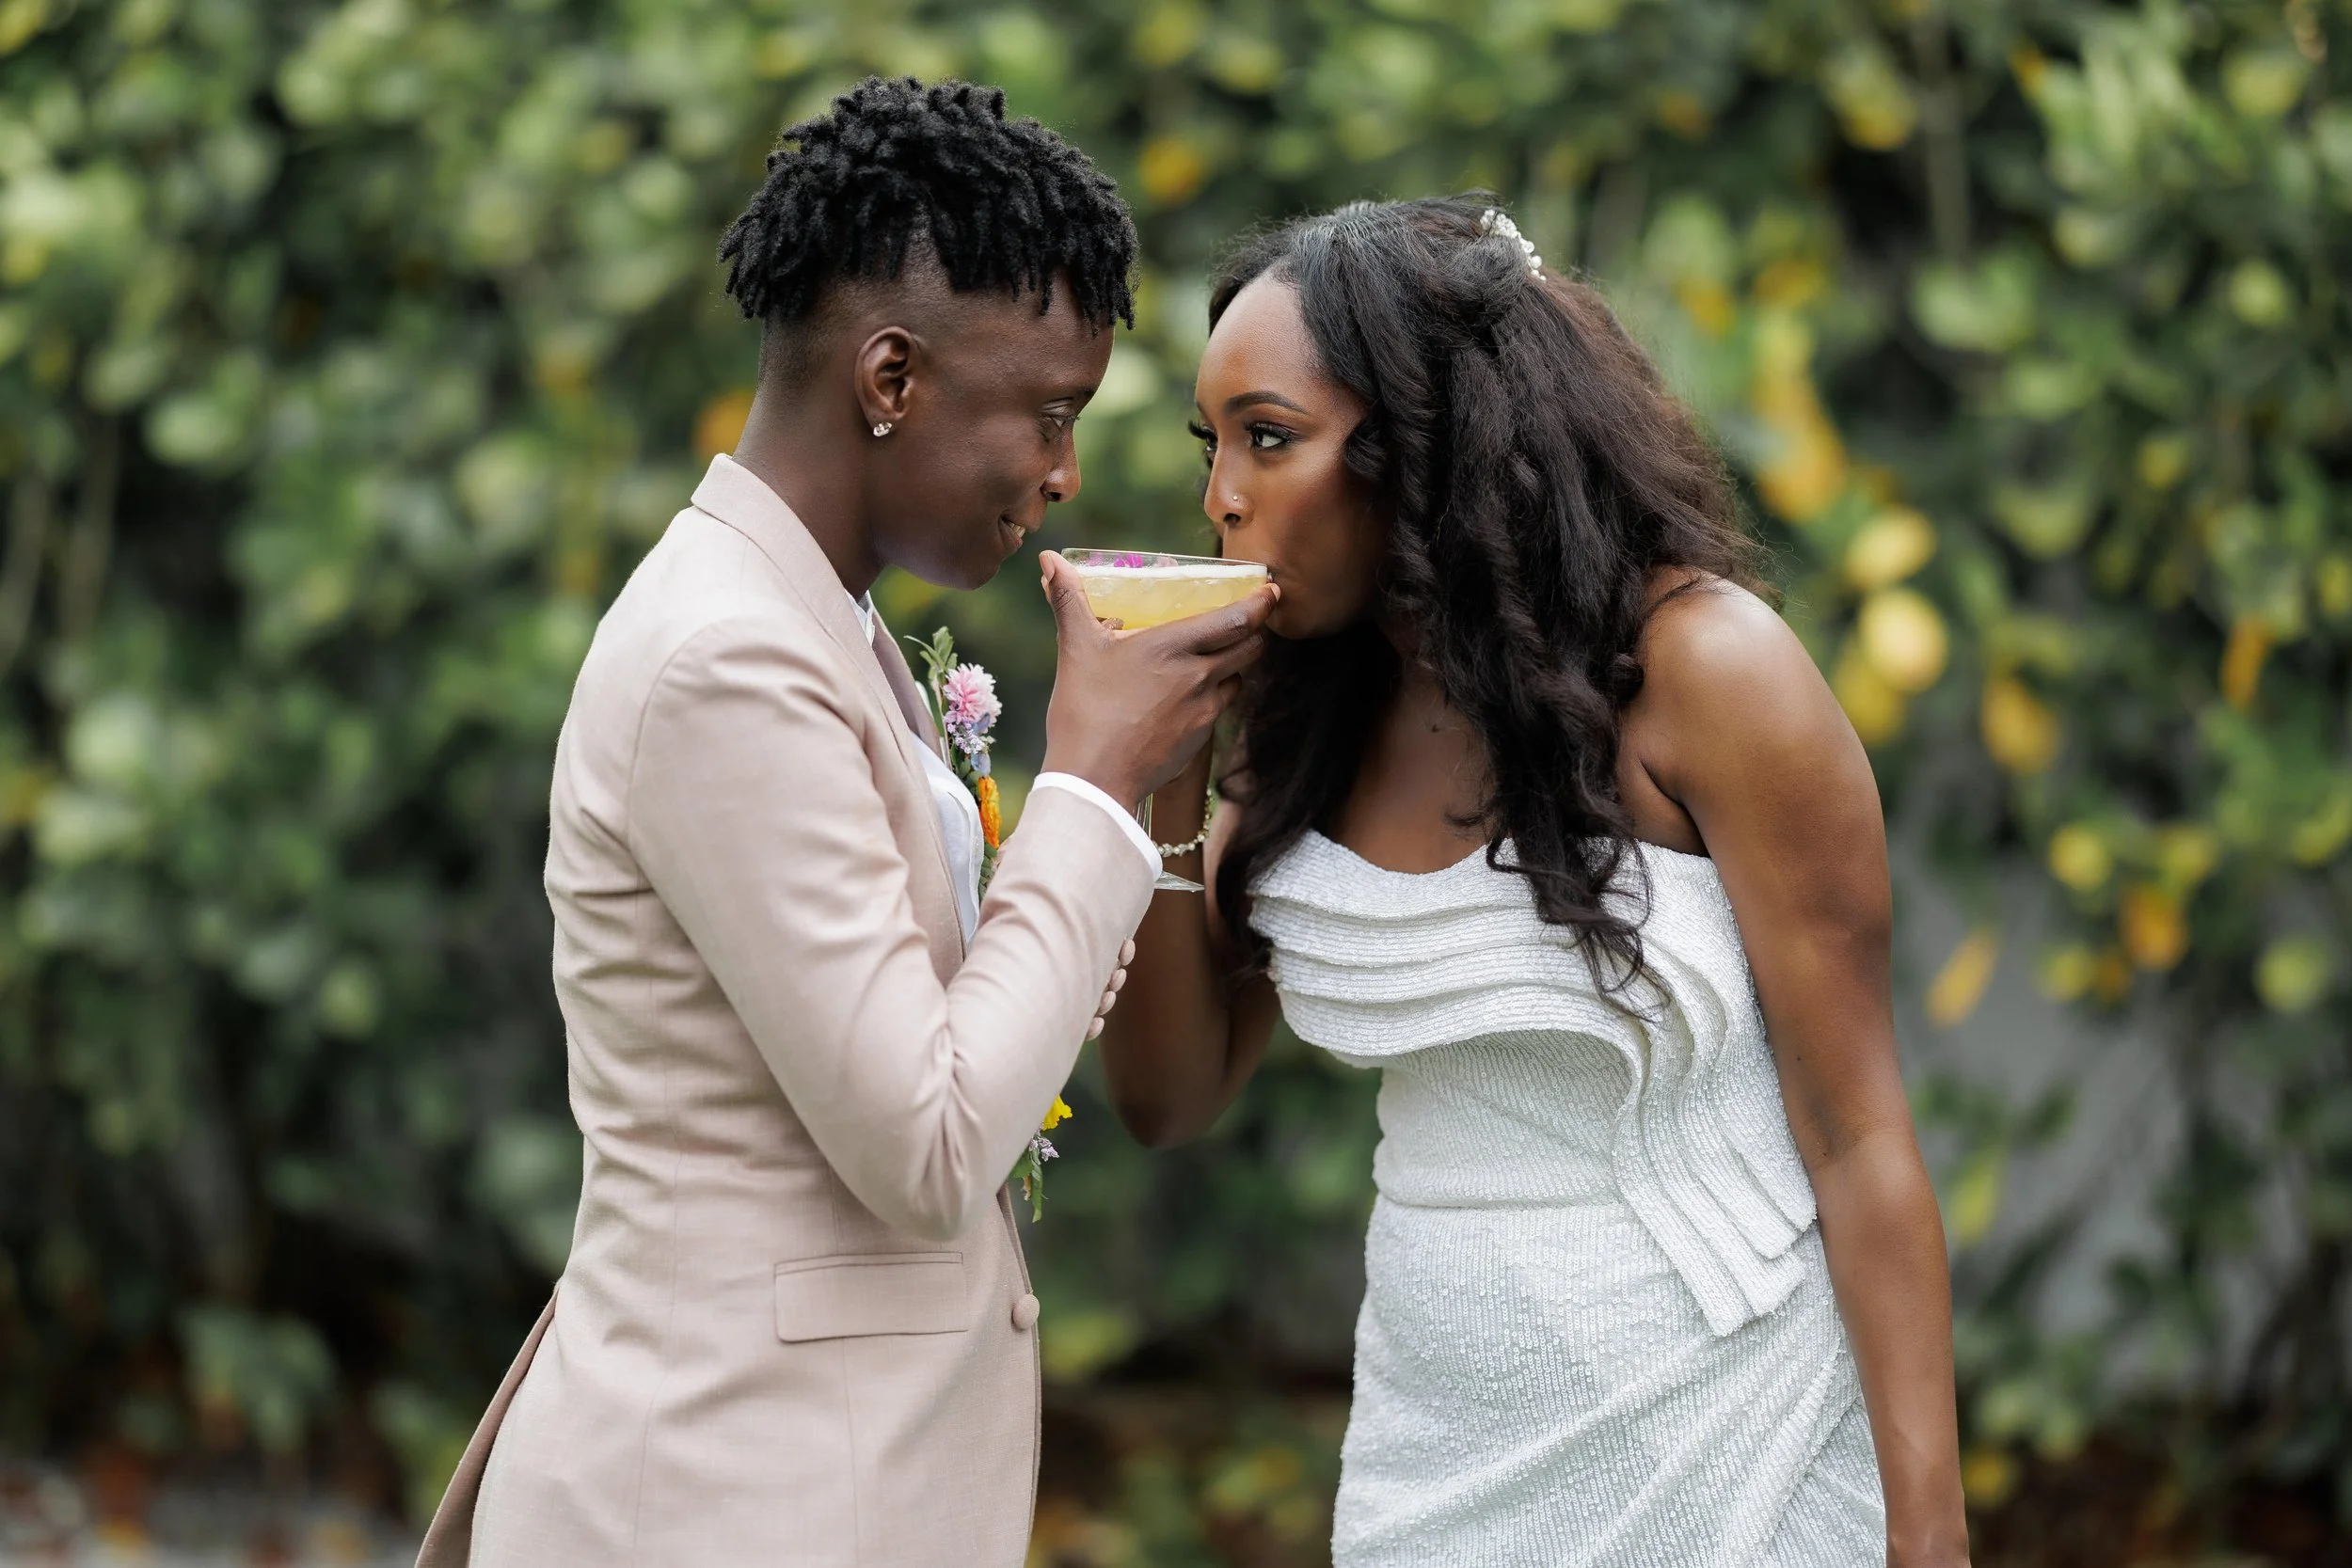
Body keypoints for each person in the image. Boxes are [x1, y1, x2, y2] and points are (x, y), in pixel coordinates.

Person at [415, 78, 1274, 1568]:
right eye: (1050, 414)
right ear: (890, 378)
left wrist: (1087, 880)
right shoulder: (726, 660)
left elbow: (917, 1030)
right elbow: (927, 1141)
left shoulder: (821, 625)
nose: (1065, 473)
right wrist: (1086, 778)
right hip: (721, 1496)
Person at [1101, 196, 1971, 1568]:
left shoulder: (1711, 675)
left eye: (1270, 438)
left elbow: (1861, 1139)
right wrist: (1159, 769)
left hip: (1737, 1428)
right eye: (1211, 446)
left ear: (1426, 438)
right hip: (1434, 1460)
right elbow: (1169, 1093)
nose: (1220, 496)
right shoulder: (1307, 727)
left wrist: (1931, 1545)